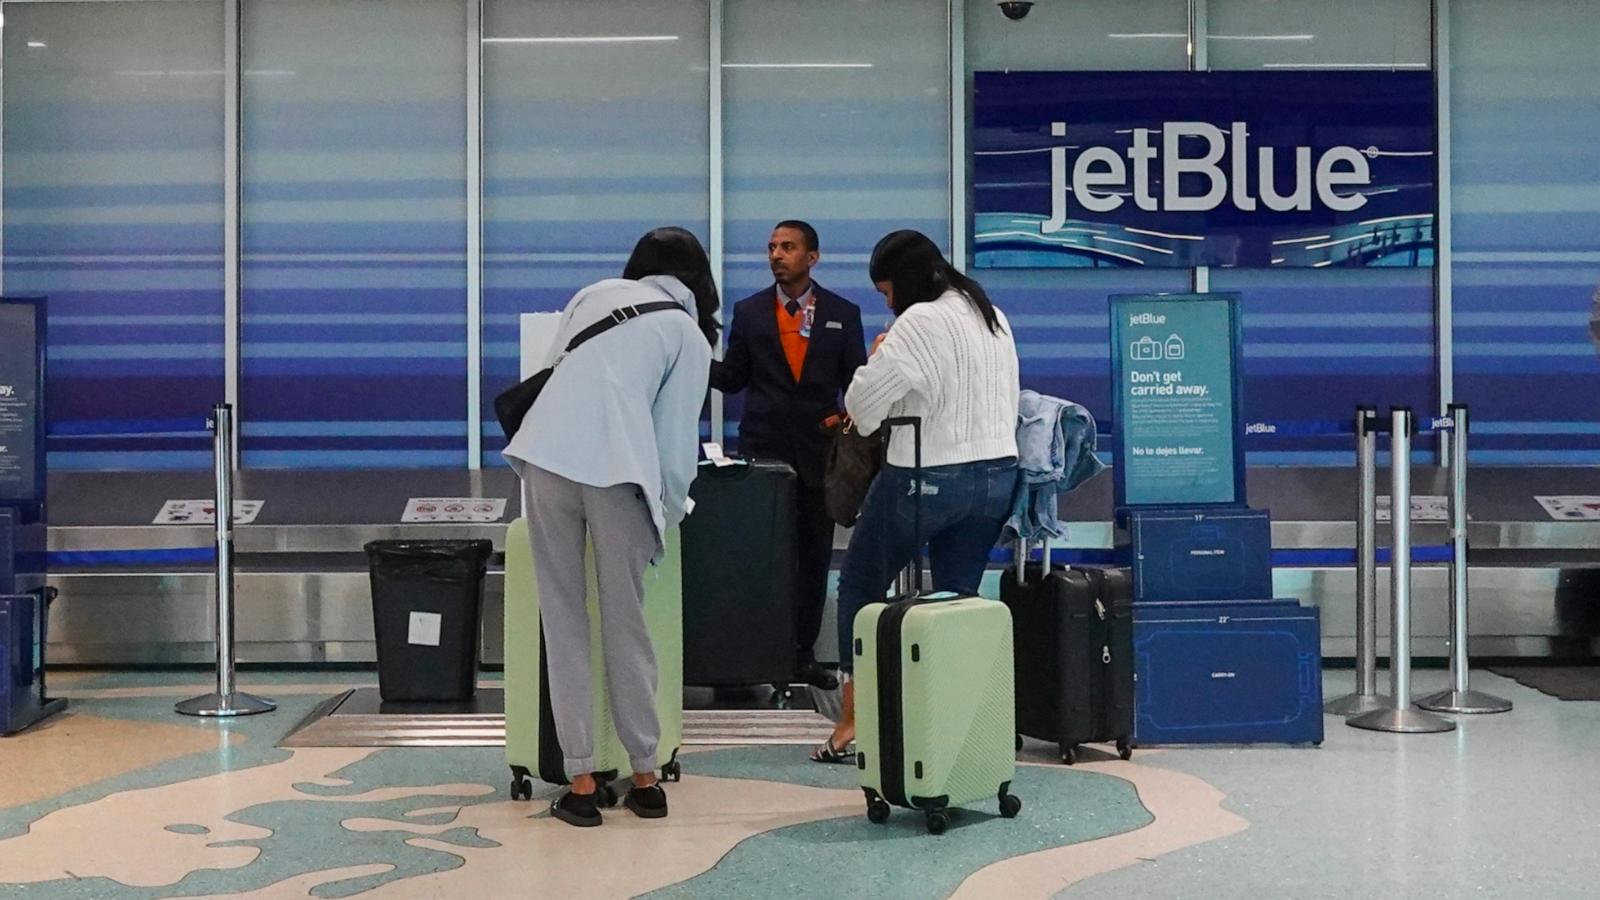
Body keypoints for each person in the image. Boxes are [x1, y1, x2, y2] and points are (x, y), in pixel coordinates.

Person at [504, 227, 718, 827]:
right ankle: (645, 778)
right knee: (627, 623)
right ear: (700, 280)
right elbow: (675, 448)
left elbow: (553, 376)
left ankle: (580, 782)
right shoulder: (687, 335)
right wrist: (669, 513)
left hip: (546, 459)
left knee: (564, 619)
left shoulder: (595, 294)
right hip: (619, 475)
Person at [810, 230, 1020, 764]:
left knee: (860, 584)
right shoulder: (992, 316)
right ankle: (960, 725)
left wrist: (880, 351)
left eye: (885, 292)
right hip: (997, 476)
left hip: (928, 478)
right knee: (957, 601)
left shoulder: (918, 322)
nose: (886, 302)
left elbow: (863, 404)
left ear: (902, 283)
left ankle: (853, 722)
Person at [711, 220, 867, 689]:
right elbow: (734, 378)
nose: (777, 254)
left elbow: (856, 385)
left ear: (812, 257)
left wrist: (849, 428)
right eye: (772, 247)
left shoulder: (843, 312)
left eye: (788, 247)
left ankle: (801, 654)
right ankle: (753, 655)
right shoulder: (751, 311)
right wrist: (689, 354)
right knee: (760, 557)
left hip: (821, 456)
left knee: (814, 557)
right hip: (763, 454)